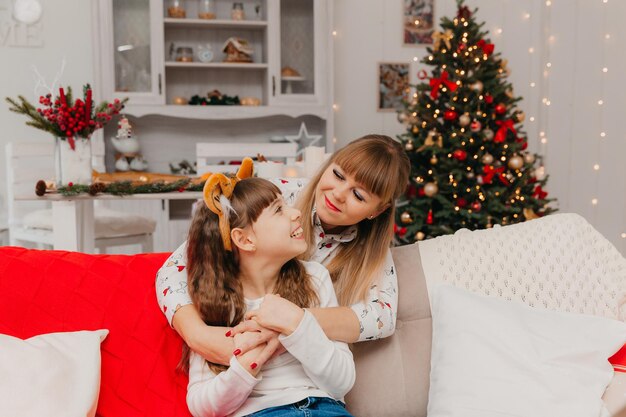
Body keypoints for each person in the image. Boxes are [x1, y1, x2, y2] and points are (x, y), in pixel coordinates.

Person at [156, 134, 411, 364]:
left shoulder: (370, 252)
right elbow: (174, 268)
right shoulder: (278, 195)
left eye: (359, 195)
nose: (338, 194)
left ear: (377, 211)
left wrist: (291, 321)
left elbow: (382, 317)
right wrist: (198, 335)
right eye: (338, 175)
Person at [184, 163, 355, 417]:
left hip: (325, 409)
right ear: (245, 239)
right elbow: (200, 406)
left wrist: (297, 323)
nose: (295, 213)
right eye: (278, 210)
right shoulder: (215, 300)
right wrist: (244, 368)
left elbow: (342, 381)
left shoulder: (314, 278)